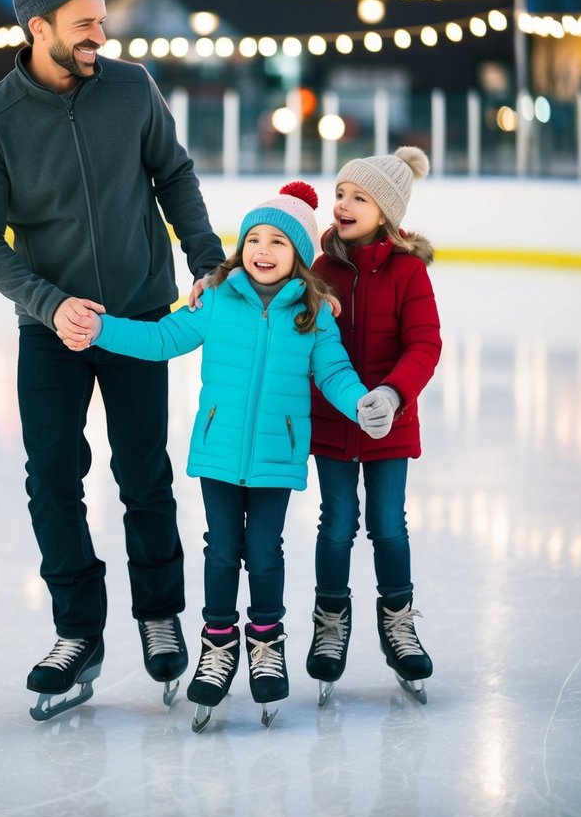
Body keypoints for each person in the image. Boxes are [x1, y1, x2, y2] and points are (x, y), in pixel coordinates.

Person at [0, 0, 226, 718]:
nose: (99, 37)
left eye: (101, 22)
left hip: (138, 315)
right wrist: (45, 303)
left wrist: (204, 262)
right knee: (52, 480)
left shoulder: (131, 87)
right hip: (51, 331)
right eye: (84, 25)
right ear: (37, 27)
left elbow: (173, 174)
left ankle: (159, 612)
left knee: (144, 473)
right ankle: (78, 631)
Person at [62, 180, 399, 729]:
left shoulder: (313, 315)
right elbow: (162, 339)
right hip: (219, 454)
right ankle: (218, 645)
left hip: (275, 459)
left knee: (265, 552)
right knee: (221, 551)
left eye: (279, 243)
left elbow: (335, 372)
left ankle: (267, 641)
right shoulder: (215, 299)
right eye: (254, 240)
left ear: (299, 256)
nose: (263, 251)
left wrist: (362, 403)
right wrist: (101, 329)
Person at [306, 146, 442, 704]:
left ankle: (398, 622)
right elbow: (305, 340)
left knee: (388, 525)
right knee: (336, 523)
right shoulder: (321, 269)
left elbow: (425, 344)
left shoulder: (409, 272)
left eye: (358, 197)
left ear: (385, 211)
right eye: (340, 193)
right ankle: (330, 622)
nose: (343, 204)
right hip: (333, 427)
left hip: (393, 426)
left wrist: (392, 392)